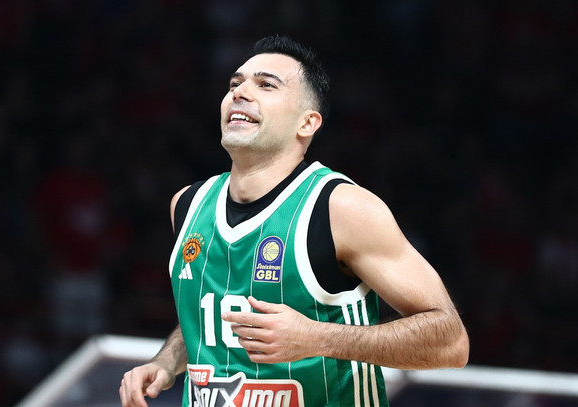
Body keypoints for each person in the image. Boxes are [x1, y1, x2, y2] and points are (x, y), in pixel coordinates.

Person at [120, 35, 469, 407]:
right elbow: (208, 315)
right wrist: (167, 361)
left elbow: (451, 342)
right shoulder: (188, 204)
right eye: (235, 83)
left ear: (307, 123)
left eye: (266, 85)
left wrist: (317, 338)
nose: (240, 92)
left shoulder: (341, 208)